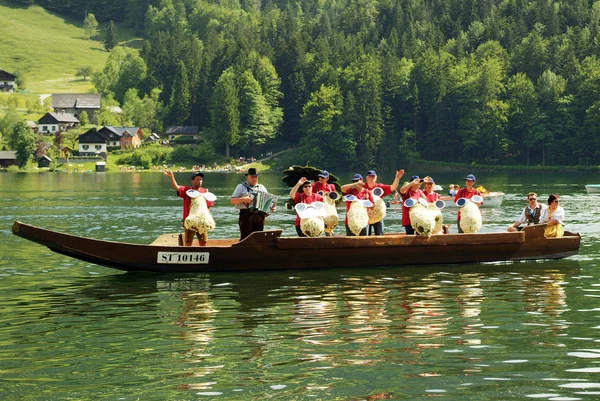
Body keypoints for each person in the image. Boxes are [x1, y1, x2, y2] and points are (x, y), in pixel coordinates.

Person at [163, 169, 214, 246]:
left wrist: (207, 220)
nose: (199, 181)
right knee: (188, 241)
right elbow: (176, 187)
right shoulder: (187, 190)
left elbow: (208, 207)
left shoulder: (205, 191)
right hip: (189, 221)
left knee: (203, 242)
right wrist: (171, 177)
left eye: (201, 179)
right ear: (192, 181)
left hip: (202, 222)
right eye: (197, 179)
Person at [230, 167, 275, 240]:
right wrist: (244, 199)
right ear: (247, 176)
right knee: (246, 237)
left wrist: (272, 208)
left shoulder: (262, 187)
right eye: (252, 177)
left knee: (259, 238)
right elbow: (232, 201)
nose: (254, 178)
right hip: (245, 216)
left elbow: (268, 202)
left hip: (260, 216)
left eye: (256, 177)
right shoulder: (241, 187)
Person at [364, 169, 405, 235]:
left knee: (380, 235)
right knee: (365, 236)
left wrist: (397, 179)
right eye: (370, 177)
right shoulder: (362, 188)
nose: (371, 178)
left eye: (373, 177)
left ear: (376, 178)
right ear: (366, 178)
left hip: (378, 216)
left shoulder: (380, 187)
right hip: (366, 216)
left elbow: (393, 187)